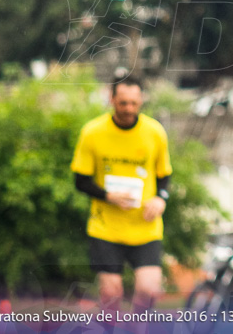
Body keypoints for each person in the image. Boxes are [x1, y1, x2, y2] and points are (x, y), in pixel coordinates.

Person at [71, 76, 172, 312]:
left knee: (149, 290)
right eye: (123, 103)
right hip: (106, 227)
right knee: (111, 294)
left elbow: (164, 175)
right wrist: (108, 196)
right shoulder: (93, 132)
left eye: (134, 103)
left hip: (145, 227)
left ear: (141, 101)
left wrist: (161, 198)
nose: (129, 109)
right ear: (112, 99)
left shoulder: (155, 132)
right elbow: (80, 181)